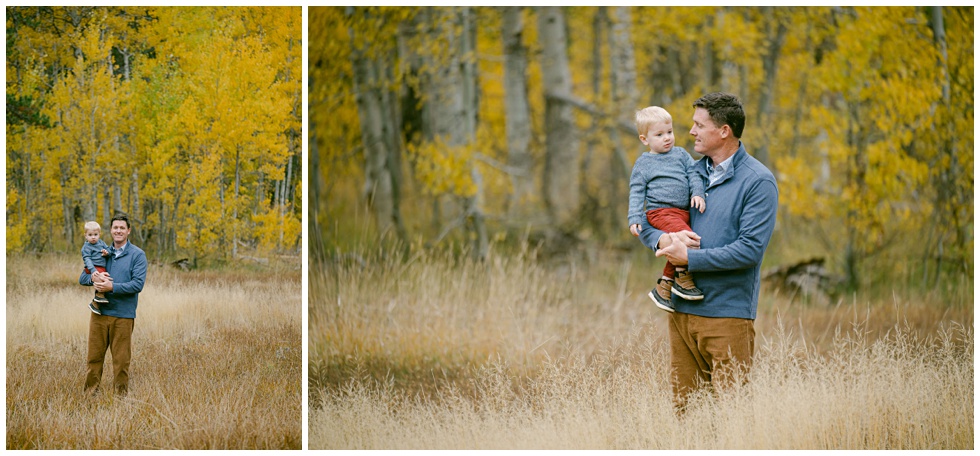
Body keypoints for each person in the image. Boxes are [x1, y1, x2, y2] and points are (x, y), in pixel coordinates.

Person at [636, 92, 778, 410]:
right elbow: (649, 219)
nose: (691, 132)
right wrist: (660, 241)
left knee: (732, 415)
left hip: (726, 317)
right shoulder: (689, 171)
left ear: (724, 131)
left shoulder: (757, 182)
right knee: (688, 414)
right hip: (680, 313)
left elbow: (750, 251)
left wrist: (691, 258)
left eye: (700, 125)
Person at [627, 106, 706, 313]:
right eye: (659, 135)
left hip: (682, 211)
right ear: (645, 139)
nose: (667, 138)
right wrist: (634, 217)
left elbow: (693, 174)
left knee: (677, 241)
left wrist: (697, 193)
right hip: (660, 212)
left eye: (669, 132)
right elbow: (636, 191)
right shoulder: (644, 163)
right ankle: (683, 277)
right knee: (686, 238)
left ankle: (664, 286)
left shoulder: (681, 154)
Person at [79, 213, 147, 397]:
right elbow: (82, 278)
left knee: (121, 360)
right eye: (115, 227)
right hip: (99, 314)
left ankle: (120, 398)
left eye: (122, 228)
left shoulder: (137, 255)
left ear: (128, 231)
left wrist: (111, 287)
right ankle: (90, 396)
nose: (118, 231)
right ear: (111, 230)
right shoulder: (101, 251)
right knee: (94, 358)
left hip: (123, 315)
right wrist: (93, 277)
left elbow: (137, 285)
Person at [80, 221, 112, 315]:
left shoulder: (101, 243)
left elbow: (109, 249)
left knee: (106, 280)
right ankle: (99, 297)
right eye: (90, 235)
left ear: (99, 234)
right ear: (85, 235)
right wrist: (93, 270)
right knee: (101, 279)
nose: (93, 237)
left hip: (102, 268)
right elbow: (87, 259)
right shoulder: (86, 247)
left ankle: (96, 302)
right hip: (93, 269)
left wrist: (107, 252)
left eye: (95, 234)